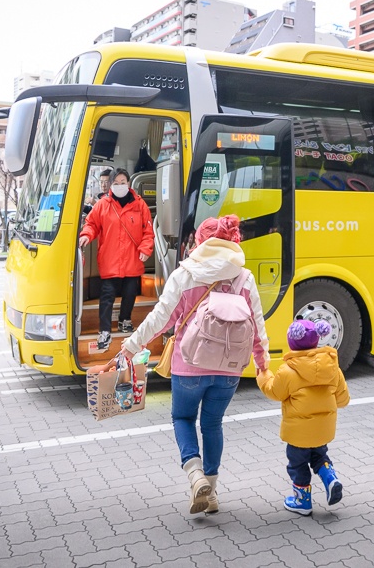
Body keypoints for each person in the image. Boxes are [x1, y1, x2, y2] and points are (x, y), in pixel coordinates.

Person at [108, 215, 270, 515]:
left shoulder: (186, 274)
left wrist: (131, 347)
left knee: (183, 419)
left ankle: (195, 475)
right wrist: (263, 364)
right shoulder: (243, 277)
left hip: (189, 365)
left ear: (200, 242)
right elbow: (258, 327)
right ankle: (212, 492)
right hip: (230, 369)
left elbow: (160, 318)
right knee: (212, 424)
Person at [256, 319, 350, 516]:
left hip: (298, 433)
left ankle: (302, 502)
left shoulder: (288, 370)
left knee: (297, 464)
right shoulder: (333, 367)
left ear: (292, 343)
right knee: (319, 456)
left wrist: (263, 375)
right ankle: (330, 477)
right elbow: (343, 399)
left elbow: (274, 392)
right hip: (323, 430)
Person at [78, 168, 154, 348]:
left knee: (130, 293)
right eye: (116, 183)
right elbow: (91, 224)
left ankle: (125, 320)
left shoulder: (139, 204)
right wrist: (86, 235)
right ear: (110, 185)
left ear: (129, 184)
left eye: (123, 182)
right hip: (110, 260)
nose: (120, 186)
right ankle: (105, 330)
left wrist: (145, 248)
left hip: (132, 259)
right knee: (107, 296)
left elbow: (148, 231)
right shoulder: (103, 204)